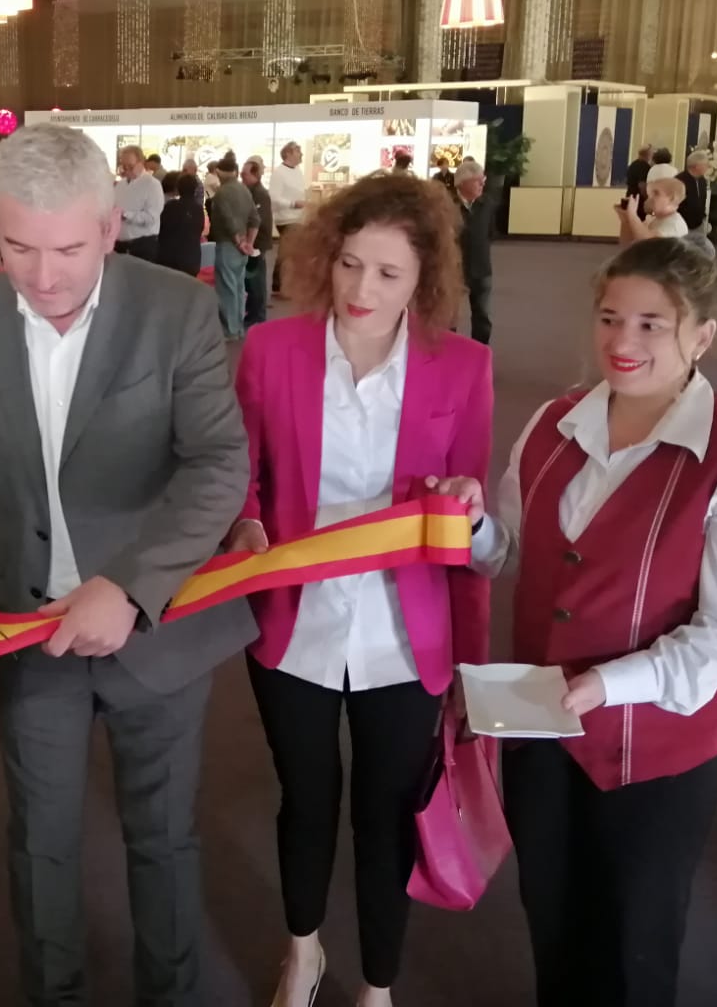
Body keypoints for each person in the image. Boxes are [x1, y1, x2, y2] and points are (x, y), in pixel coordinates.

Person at [0, 123, 253, 1007]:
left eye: (69, 249)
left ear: (111, 226)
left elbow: (217, 466)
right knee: (41, 840)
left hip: (155, 624)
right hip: (24, 621)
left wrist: (130, 586)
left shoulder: (177, 310)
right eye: (17, 246)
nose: (42, 276)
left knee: (161, 836)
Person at [461, 237, 717, 1007]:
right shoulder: (553, 424)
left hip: (658, 751)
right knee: (551, 914)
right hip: (544, 729)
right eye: (611, 317)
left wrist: (611, 684)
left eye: (653, 324)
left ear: (702, 337)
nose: (623, 341)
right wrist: (474, 528)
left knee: (633, 943)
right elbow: (513, 552)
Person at [229, 173, 492, 1007]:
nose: (360, 290)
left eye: (387, 274)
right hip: (294, 622)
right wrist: (245, 524)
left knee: (387, 816)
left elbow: (472, 507)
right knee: (306, 799)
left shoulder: (464, 369)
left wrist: (468, 511)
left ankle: (379, 983)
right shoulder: (272, 351)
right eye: (348, 265)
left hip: (405, 632)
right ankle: (303, 950)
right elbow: (243, 472)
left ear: (424, 281)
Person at [210, 152, 260, 339]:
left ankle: (230, 330)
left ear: (219, 172)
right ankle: (238, 327)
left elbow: (228, 220)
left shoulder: (222, 193)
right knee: (238, 288)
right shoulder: (244, 190)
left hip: (228, 245)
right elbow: (255, 218)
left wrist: (239, 242)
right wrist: (249, 243)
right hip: (243, 248)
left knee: (227, 289)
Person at [452, 157, 494, 344]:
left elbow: (491, 233)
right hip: (453, 269)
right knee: (449, 315)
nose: (482, 184)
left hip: (481, 267)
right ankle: (448, 354)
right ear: (463, 182)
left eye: (483, 180)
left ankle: (480, 351)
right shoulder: (446, 204)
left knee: (482, 316)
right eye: (478, 180)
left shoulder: (487, 204)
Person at [114, 144, 164, 262]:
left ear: (141, 163)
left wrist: (125, 215)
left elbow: (151, 217)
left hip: (142, 246)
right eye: (123, 166)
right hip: (119, 245)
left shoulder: (152, 184)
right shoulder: (120, 185)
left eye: (130, 166)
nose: (126, 170)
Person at [270, 141, 308, 297]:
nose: (301, 154)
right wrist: (293, 204)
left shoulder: (298, 171)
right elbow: (274, 197)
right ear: (288, 154)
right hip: (286, 218)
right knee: (287, 254)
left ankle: (285, 285)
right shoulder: (279, 173)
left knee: (292, 253)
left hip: (298, 217)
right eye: (297, 151)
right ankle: (280, 286)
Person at [242, 157, 274, 328]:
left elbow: (258, 221)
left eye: (244, 174)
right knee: (251, 280)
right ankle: (253, 312)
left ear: (254, 174)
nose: (242, 177)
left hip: (257, 244)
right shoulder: (251, 191)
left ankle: (257, 315)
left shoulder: (259, 194)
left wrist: (252, 243)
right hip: (254, 242)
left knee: (256, 281)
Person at [156, 171, 206, 278]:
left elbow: (160, 228)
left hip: (169, 258)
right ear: (195, 189)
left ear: (177, 188)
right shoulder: (198, 209)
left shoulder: (170, 207)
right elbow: (199, 230)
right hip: (191, 259)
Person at [616, 177, 689, 245]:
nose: (650, 197)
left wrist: (632, 215)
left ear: (672, 198)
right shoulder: (652, 219)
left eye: (656, 193)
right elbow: (627, 245)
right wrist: (625, 220)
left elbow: (649, 243)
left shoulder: (675, 224)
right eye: (650, 194)